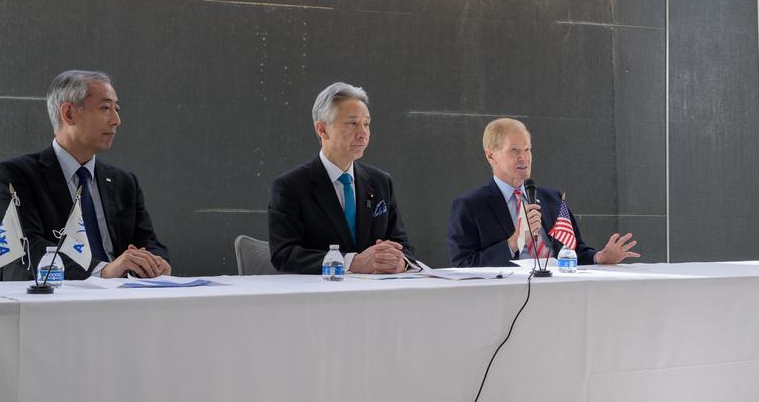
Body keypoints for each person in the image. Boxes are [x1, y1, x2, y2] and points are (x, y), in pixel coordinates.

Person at [0, 70, 171, 281]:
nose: (116, 120)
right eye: (105, 108)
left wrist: (156, 262)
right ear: (69, 113)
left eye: (117, 109)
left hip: (123, 300)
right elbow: (29, 245)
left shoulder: (124, 182)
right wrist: (102, 271)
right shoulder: (17, 175)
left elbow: (150, 243)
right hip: (54, 301)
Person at [447, 117, 640, 268]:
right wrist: (514, 242)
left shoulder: (552, 199)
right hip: (509, 296)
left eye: (527, 149)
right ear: (491, 155)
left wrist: (599, 257)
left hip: (559, 290)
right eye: (514, 150)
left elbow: (574, 250)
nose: (524, 158)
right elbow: (464, 265)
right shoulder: (470, 205)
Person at [268, 82, 414, 274]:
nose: (363, 134)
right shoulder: (290, 186)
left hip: (377, 296)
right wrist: (350, 262)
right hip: (320, 297)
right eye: (352, 123)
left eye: (367, 124)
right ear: (322, 130)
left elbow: (404, 247)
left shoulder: (380, 182)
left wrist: (399, 262)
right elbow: (284, 254)